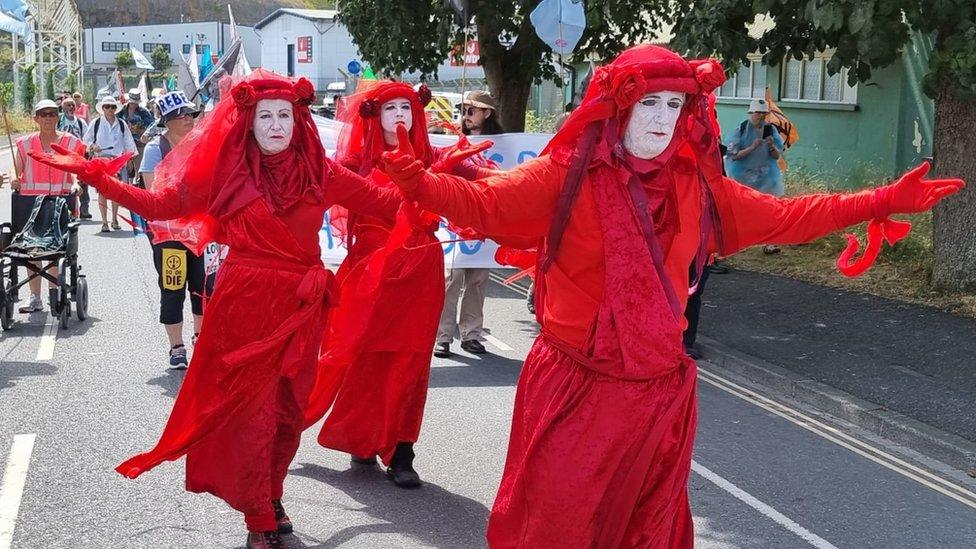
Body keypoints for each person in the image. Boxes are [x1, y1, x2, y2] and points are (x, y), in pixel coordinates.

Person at [379, 44, 964, 547]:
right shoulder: (566, 177)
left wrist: (881, 200)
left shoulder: (698, 191)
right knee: (558, 527)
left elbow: (791, 215)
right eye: (648, 103)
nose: (662, 119)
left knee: (646, 532)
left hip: (657, 399)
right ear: (617, 108)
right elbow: (484, 205)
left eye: (674, 105)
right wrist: (417, 179)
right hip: (576, 390)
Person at [30, 70, 405, 549]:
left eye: (284, 115)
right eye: (264, 115)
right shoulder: (227, 174)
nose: (275, 124)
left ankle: (272, 494)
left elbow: (389, 202)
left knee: (288, 416)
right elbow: (160, 202)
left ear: (298, 120)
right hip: (245, 307)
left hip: (303, 310)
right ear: (247, 123)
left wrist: (421, 173)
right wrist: (98, 178)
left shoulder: (321, 171)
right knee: (253, 416)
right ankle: (257, 516)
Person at [304, 80, 493, 488]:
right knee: (362, 354)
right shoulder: (356, 162)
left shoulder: (436, 157)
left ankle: (402, 451)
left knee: (411, 360)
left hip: (419, 269)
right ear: (375, 116)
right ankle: (363, 435)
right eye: (390, 109)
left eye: (407, 108)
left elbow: (487, 181)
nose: (400, 116)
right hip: (369, 268)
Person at [138, 91, 212, 369]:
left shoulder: (203, 144)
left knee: (203, 288)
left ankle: (200, 339)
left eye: (190, 113)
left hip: (201, 233)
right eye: (180, 115)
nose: (187, 119)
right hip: (169, 234)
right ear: (167, 121)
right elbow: (151, 191)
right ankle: (176, 347)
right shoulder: (155, 148)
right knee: (172, 288)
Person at [433, 90, 505, 358]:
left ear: (487, 113)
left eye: (472, 110)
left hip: (484, 218)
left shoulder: (502, 144)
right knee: (452, 279)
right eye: (463, 110)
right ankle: (443, 336)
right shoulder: (454, 141)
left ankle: (471, 334)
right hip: (456, 218)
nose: (466, 115)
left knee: (478, 279)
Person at [8, 99, 85, 313]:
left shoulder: (70, 142)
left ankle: (55, 293)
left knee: (55, 250)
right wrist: (15, 179)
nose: (49, 117)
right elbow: (16, 168)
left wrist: (76, 183)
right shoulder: (24, 144)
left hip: (60, 203)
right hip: (30, 204)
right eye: (44, 114)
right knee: (30, 251)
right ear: (36, 119)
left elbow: (74, 168)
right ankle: (34, 297)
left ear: (58, 116)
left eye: (53, 113)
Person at [725, 98, 786, 254]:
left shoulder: (771, 130)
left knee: (770, 208)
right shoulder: (741, 129)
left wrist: (772, 146)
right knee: (744, 210)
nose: (761, 117)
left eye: (764, 113)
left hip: (767, 176)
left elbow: (777, 156)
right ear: (751, 113)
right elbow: (733, 155)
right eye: (758, 113)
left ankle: (770, 242)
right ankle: (742, 240)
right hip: (744, 177)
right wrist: (752, 147)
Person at [83, 96, 137, 232]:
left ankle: (114, 219)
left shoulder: (122, 124)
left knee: (115, 191)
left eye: (112, 107)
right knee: (102, 192)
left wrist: (129, 159)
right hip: (101, 161)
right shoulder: (95, 123)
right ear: (102, 108)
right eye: (107, 106)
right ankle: (104, 221)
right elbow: (86, 141)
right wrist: (93, 147)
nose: (110, 109)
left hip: (117, 161)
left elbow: (128, 142)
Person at [58, 97, 93, 219]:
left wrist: (87, 153)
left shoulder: (80, 123)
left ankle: (84, 209)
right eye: (68, 105)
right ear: (63, 107)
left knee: (82, 182)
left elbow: (87, 139)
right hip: (62, 156)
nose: (71, 107)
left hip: (78, 156)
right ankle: (66, 209)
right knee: (64, 182)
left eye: (72, 105)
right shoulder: (58, 121)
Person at [119, 89, 155, 184]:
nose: (134, 105)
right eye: (132, 102)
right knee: (125, 169)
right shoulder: (121, 111)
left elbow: (151, 128)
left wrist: (138, 130)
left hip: (139, 144)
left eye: (135, 103)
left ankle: (138, 188)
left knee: (139, 169)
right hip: (124, 144)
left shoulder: (144, 112)